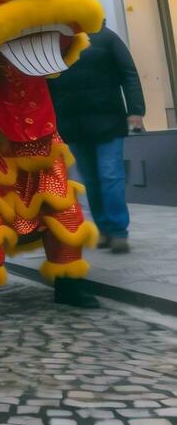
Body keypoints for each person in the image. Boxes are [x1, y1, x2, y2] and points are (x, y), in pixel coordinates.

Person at [49, 21, 146, 254]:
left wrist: (135, 110)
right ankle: (104, 229)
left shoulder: (107, 37)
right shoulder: (58, 41)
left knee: (109, 174)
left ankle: (118, 231)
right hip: (74, 123)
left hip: (108, 120)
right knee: (91, 180)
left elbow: (129, 74)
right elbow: (48, 83)